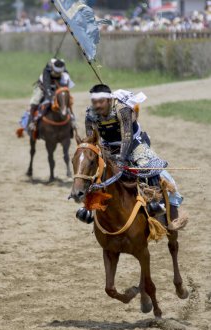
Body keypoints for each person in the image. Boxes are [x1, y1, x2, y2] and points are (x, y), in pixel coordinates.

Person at [76, 83, 183, 223]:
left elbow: (127, 136)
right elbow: (92, 139)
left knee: (148, 165)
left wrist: (121, 159)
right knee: (93, 168)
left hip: (133, 144)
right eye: (95, 101)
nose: (98, 105)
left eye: (101, 101)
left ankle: (154, 201)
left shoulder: (123, 110)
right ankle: (89, 206)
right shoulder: (90, 114)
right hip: (107, 147)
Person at [27, 58, 75, 132]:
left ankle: (72, 120)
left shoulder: (65, 73)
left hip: (58, 88)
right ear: (52, 68)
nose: (57, 75)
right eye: (56, 73)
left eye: (59, 73)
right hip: (43, 87)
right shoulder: (46, 71)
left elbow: (65, 86)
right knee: (35, 101)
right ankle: (32, 121)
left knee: (66, 101)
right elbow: (47, 87)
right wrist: (51, 96)